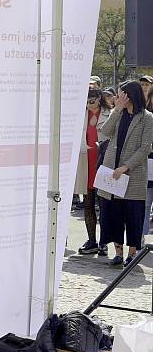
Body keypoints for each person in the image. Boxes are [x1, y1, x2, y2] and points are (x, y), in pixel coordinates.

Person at [97, 81, 153, 267]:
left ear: (130, 95)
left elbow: (145, 148)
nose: (117, 97)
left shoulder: (147, 118)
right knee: (112, 212)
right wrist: (117, 110)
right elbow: (104, 132)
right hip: (112, 172)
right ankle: (118, 252)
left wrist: (126, 167)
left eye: (121, 94)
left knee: (133, 214)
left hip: (132, 174)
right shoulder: (118, 114)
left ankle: (132, 254)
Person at [75, 88, 110, 255]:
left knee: (104, 206)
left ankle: (104, 241)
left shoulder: (109, 114)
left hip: (103, 163)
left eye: (92, 99)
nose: (89, 103)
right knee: (88, 204)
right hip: (86, 163)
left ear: (99, 98)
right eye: (87, 100)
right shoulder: (81, 115)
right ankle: (92, 240)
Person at [139, 76, 153, 240]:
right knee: (146, 202)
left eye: (147, 84)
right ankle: (140, 237)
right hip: (144, 160)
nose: (144, 87)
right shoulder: (138, 105)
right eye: (142, 84)